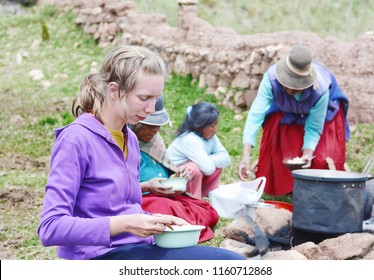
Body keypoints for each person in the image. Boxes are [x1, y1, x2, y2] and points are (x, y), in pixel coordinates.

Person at [37, 45, 245, 260]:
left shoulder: (131, 139)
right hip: (98, 256)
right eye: (144, 98)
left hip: (137, 248)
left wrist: (156, 219)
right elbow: (50, 227)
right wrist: (128, 224)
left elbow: (124, 205)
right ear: (114, 90)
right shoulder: (76, 139)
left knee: (231, 262)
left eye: (155, 99)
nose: (151, 109)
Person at [238, 44, 350, 196]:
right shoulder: (271, 79)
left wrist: (308, 153)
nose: (290, 90)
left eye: (296, 87)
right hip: (285, 110)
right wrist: (245, 157)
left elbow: (314, 127)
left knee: (320, 158)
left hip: (324, 115)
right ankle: (287, 189)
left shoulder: (320, 90)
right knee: (281, 147)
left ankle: (317, 192)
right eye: (287, 84)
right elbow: (255, 116)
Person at [130, 95, 219, 242]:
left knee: (208, 210)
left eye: (158, 126)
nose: (155, 130)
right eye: (151, 126)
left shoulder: (154, 141)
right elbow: (120, 188)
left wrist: (176, 178)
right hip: (141, 198)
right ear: (135, 124)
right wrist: (148, 186)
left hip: (162, 196)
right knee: (163, 209)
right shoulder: (125, 145)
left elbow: (164, 174)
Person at [167, 102, 231, 199]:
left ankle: (204, 194)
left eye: (216, 124)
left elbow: (226, 159)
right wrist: (207, 160)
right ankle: (191, 200)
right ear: (198, 127)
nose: (216, 129)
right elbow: (208, 168)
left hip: (194, 178)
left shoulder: (211, 137)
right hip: (173, 180)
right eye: (212, 126)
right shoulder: (190, 139)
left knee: (216, 165)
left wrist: (208, 159)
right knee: (194, 168)